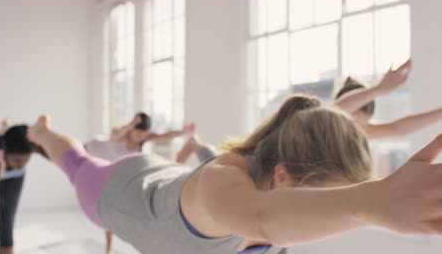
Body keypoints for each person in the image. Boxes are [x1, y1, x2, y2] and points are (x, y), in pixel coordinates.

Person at [27, 95, 442, 254]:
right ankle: (42, 132)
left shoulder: (283, 198)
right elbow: (262, 218)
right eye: (324, 199)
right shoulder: (223, 183)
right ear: (281, 177)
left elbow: (332, 110)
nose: (330, 215)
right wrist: (373, 202)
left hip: (169, 178)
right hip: (119, 193)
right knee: (75, 162)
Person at [86, 112, 195, 254]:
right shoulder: (120, 134)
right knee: (107, 212)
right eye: (137, 134)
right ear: (131, 129)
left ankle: (118, 248)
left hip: (117, 172)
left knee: (119, 209)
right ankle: (109, 250)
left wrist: (183, 132)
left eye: (143, 135)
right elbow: (115, 135)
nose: (140, 138)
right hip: (97, 157)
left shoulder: (144, 137)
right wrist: (130, 125)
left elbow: (165, 136)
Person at [0, 121, 47, 254]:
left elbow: (54, 149)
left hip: (13, 177)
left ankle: (6, 249)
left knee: (7, 214)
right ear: (5, 149)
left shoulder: (21, 163)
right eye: (17, 160)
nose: (21, 165)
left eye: (26, 161)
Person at [334, 59, 442, 139]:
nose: (356, 130)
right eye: (354, 122)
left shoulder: (361, 133)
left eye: (362, 125)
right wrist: (378, 90)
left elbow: (398, 128)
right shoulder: (322, 126)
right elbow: (334, 112)